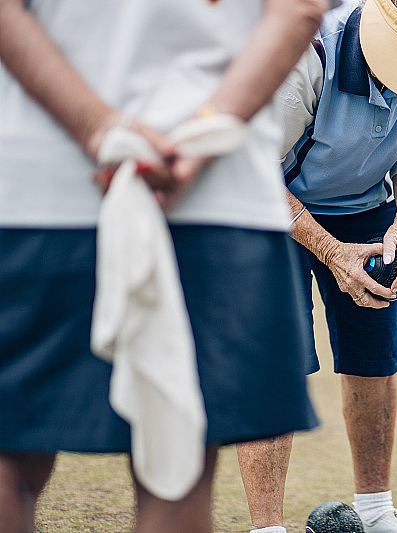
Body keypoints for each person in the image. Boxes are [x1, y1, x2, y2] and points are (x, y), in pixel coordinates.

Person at [0, 0, 328, 531]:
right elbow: (297, 10)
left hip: (36, 184)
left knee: (7, 461)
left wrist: (102, 129)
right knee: (180, 471)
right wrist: (199, 138)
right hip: (214, 191)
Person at [235, 1, 397, 533]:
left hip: (366, 206)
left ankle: (375, 510)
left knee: (374, 360)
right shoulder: (307, 56)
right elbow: (250, 171)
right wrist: (331, 251)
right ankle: (268, 527)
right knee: (279, 364)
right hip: (267, 209)